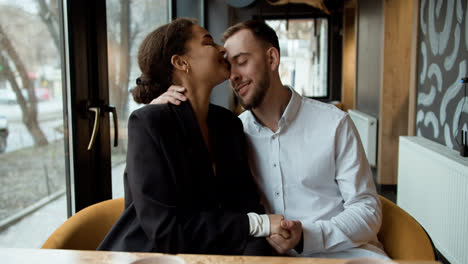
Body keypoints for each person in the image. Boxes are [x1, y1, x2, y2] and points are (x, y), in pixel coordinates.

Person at [153, 20, 389, 260]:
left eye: (242, 62)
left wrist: (306, 235)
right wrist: (159, 113)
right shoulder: (232, 133)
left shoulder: (334, 123)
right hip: (267, 258)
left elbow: (367, 210)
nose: (233, 76)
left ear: (272, 59)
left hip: (345, 254)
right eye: (228, 66)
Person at [97, 18, 291, 255]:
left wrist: (273, 231)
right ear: (181, 62)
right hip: (153, 255)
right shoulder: (149, 124)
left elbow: (244, 203)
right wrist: (259, 225)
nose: (223, 50)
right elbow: (166, 230)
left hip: (216, 251)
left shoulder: (228, 124)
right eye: (208, 42)